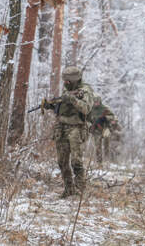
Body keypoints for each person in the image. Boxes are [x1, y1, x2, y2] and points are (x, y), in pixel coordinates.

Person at [45, 66, 94, 198]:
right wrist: (51, 106)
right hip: (61, 128)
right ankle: (69, 189)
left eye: (68, 81)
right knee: (61, 161)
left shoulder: (86, 90)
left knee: (76, 161)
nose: (65, 83)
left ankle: (79, 191)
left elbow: (86, 109)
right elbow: (63, 107)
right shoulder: (68, 90)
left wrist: (71, 99)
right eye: (64, 81)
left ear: (75, 80)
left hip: (76, 128)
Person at [88, 95, 121, 166]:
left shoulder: (105, 108)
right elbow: (87, 118)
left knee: (106, 144)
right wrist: (90, 125)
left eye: (97, 102)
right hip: (96, 129)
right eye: (95, 102)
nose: (96, 103)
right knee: (97, 146)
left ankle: (107, 160)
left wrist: (105, 117)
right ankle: (99, 163)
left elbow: (112, 116)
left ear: (100, 102)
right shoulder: (91, 109)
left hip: (105, 128)